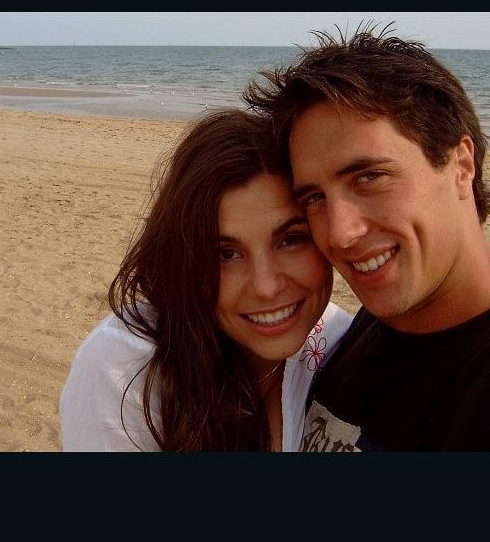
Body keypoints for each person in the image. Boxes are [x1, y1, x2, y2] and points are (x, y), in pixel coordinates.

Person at [243, 25, 490, 451]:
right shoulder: (357, 336)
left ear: (461, 164)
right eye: (314, 198)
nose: (340, 234)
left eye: (369, 176)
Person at [59, 109, 352, 451]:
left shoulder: (336, 341)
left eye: (291, 240)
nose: (266, 286)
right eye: (225, 254)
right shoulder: (124, 368)